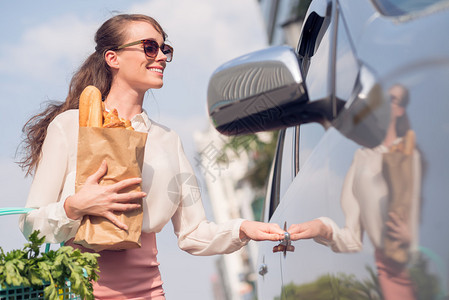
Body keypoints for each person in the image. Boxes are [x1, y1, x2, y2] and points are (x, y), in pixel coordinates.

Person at [17, 14, 285, 299]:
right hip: (76, 290)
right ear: (112, 58)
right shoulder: (70, 126)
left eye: (164, 49)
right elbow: (30, 224)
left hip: (148, 292)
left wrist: (243, 228)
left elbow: (193, 233)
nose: (160, 57)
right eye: (149, 47)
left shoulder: (168, 141)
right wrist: (74, 206)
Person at [287, 84, 421, 300]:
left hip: (424, 260)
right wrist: (323, 228)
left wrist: (412, 238)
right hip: (389, 269)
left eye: (393, 99)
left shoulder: (413, 155)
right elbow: (352, 239)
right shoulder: (362, 160)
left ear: (400, 110)